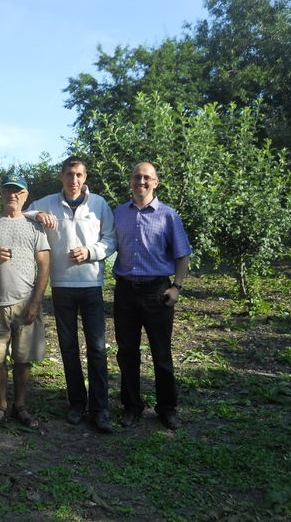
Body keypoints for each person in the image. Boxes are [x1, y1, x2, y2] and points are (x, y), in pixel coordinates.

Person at [28, 156, 117, 433]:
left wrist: (90, 252)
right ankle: (77, 403)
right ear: (61, 176)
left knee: (97, 348)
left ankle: (100, 409)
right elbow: (22, 212)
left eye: (79, 175)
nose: (74, 180)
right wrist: (37, 215)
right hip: (62, 286)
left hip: (91, 285)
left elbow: (111, 239)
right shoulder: (47, 203)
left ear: (85, 177)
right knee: (68, 348)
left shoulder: (99, 204)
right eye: (69, 174)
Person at [113, 162, 191, 430]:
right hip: (125, 291)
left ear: (156, 182)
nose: (141, 181)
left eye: (147, 178)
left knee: (161, 353)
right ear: (131, 181)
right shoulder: (118, 213)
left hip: (157, 292)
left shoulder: (169, 216)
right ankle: (132, 406)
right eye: (137, 177)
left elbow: (183, 254)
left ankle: (167, 408)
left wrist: (176, 287)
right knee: (127, 353)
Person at [0, 175, 50, 430]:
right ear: (1, 194)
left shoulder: (35, 227)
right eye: (8, 191)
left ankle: (20, 405)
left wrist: (35, 302)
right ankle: (1, 404)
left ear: (26, 196)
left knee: (23, 358)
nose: (13, 195)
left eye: (18, 192)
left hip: (25, 303)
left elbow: (44, 266)